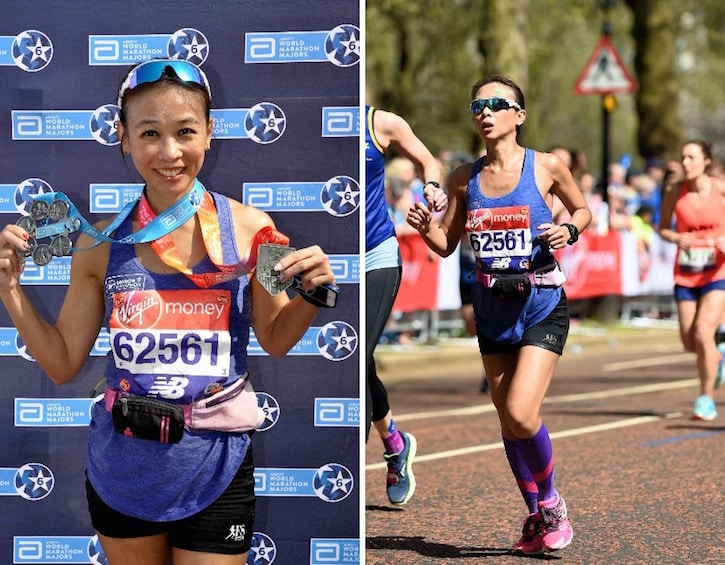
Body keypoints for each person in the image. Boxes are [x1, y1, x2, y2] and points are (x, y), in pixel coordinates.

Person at [0, 59, 337, 564]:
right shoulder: (98, 244)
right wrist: (10, 291)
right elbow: (64, 361)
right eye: (150, 133)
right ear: (124, 138)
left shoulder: (254, 230)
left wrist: (313, 294)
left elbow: (275, 337)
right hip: (124, 469)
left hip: (216, 466)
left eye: (185, 132)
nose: (169, 152)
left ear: (209, 133)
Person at [406, 75, 591, 554]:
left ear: (519, 115)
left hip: (541, 303)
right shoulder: (464, 179)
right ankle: (535, 517)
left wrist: (567, 231)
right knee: (507, 422)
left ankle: (552, 503)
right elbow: (446, 247)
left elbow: (583, 210)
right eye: (477, 106)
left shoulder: (546, 167)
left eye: (495, 104)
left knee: (521, 413)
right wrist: (428, 228)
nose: (484, 112)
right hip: (492, 309)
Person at [365, 104, 446, 505]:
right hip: (328, 262)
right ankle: (395, 443)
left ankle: (345, 470)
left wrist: (432, 186)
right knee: (358, 362)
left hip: (374, 254)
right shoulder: (303, 119)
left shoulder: (381, 122)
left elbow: (429, 160)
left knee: (356, 357)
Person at [658, 139, 725, 421]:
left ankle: (706, 398)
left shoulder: (720, 187)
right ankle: (718, 355)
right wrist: (677, 237)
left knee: (701, 333)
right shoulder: (675, 192)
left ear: (705, 161)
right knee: (690, 341)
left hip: (717, 272)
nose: (685, 163)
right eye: (683, 157)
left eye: (691, 157)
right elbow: (662, 228)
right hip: (686, 274)